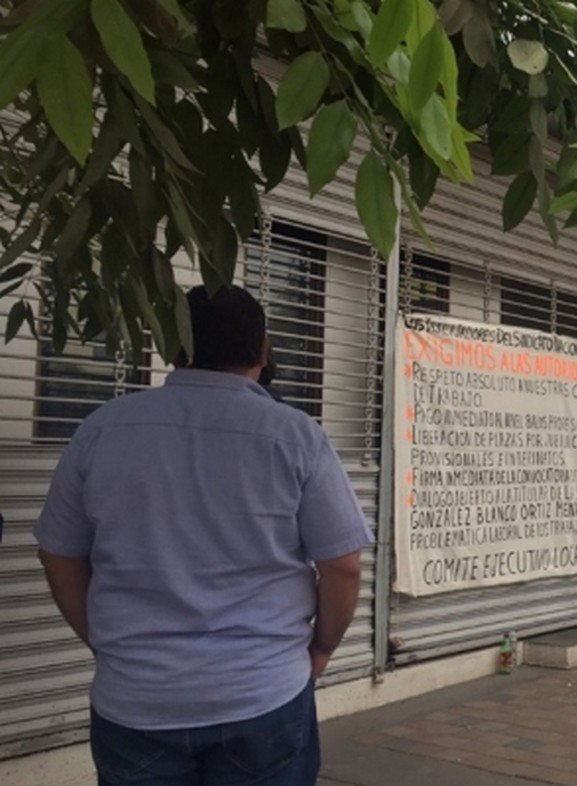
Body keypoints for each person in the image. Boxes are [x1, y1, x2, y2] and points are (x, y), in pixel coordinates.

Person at [36, 284, 372, 783]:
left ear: (174, 347)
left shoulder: (102, 429)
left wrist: (108, 644)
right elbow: (343, 567)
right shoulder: (297, 436)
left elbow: (58, 555)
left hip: (135, 697)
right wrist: (321, 650)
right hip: (262, 692)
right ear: (263, 351)